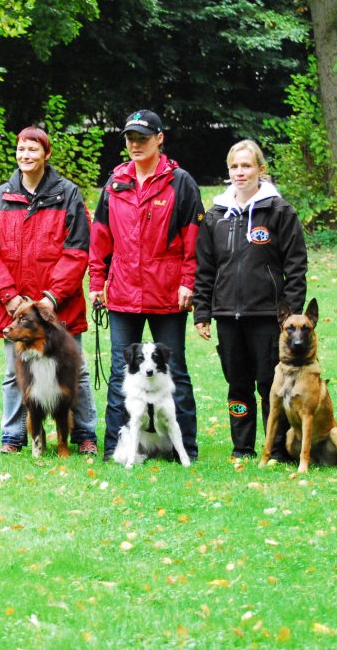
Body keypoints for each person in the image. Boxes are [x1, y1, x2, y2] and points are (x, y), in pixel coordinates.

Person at [89, 109, 204, 462]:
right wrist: (97, 281)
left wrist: (189, 283)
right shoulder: (115, 182)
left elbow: (193, 240)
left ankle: (185, 450)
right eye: (130, 138)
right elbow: (101, 236)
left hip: (168, 292)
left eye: (142, 138)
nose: (135, 144)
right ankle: (116, 448)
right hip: (123, 292)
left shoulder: (180, 182)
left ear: (159, 139)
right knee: (123, 372)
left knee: (176, 372)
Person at [0, 126, 100, 455]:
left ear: (46, 154)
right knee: (12, 374)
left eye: (33, 149)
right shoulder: (0, 196)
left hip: (61, 309)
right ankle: (13, 437)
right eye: (21, 149)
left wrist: (51, 298)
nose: (25, 155)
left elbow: (77, 250)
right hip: (13, 308)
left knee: (78, 370)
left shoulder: (68, 195)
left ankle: (85, 434)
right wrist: (10, 297)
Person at [193, 140, 307, 460]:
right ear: (228, 171)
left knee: (270, 384)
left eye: (246, 166)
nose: (240, 172)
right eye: (234, 166)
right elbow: (205, 267)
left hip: (269, 316)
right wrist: (202, 311)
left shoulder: (279, 211)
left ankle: (278, 449)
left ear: (260, 169)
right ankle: (242, 448)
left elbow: (296, 266)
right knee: (237, 385)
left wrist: (291, 317)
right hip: (227, 315)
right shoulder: (217, 215)